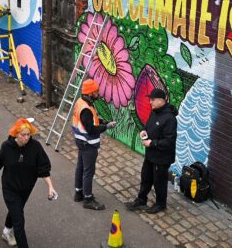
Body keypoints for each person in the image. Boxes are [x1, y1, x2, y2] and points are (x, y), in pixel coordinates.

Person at [0, 118, 56, 248]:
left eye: (28, 134)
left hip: (26, 189)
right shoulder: (6, 147)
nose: (26, 138)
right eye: (23, 135)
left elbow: (43, 168)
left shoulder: (35, 147)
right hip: (10, 189)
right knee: (19, 222)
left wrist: (51, 187)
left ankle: (6, 232)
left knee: (16, 211)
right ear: (16, 134)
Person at [125, 88, 177, 214]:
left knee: (159, 182)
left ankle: (161, 204)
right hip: (151, 154)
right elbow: (149, 125)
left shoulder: (170, 119)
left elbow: (170, 141)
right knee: (146, 177)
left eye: (152, 100)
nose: (150, 102)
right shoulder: (155, 112)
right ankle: (141, 199)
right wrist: (144, 130)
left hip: (162, 157)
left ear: (161, 100)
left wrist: (152, 143)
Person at [72, 78, 116, 210]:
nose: (99, 93)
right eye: (97, 91)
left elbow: (91, 121)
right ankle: (88, 199)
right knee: (88, 172)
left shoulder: (82, 102)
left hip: (81, 141)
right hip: (88, 143)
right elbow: (91, 129)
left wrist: (102, 122)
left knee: (80, 167)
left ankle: (78, 193)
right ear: (90, 93)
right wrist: (106, 126)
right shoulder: (86, 108)